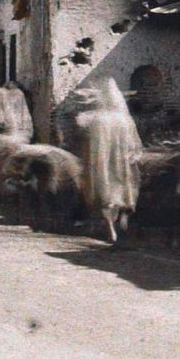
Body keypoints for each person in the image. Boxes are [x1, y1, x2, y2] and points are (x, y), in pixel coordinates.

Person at [76, 79, 143, 244]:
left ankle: (110, 228)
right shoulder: (125, 120)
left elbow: (89, 144)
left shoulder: (97, 120)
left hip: (103, 163)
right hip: (122, 162)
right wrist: (133, 157)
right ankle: (122, 220)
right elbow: (134, 144)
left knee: (106, 193)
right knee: (123, 190)